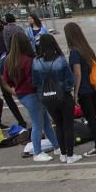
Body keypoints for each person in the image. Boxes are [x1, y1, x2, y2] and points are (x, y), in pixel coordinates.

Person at [3, 34, 58, 162]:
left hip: (22, 94)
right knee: (38, 124)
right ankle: (37, 152)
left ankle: (56, 146)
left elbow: (6, 79)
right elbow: (34, 81)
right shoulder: (28, 60)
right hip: (33, 94)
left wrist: (15, 89)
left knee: (44, 122)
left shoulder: (9, 59)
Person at [65, 22, 96, 157]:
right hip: (94, 86)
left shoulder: (74, 51)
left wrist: (75, 93)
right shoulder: (87, 48)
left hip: (84, 89)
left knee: (91, 117)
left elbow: (77, 74)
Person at [33, 35, 79, 164]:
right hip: (63, 95)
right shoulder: (60, 60)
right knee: (68, 125)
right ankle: (70, 155)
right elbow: (71, 79)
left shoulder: (36, 62)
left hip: (47, 97)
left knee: (58, 125)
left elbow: (35, 82)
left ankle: (63, 153)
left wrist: (43, 91)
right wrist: (66, 88)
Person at [0, 17, 28, 128]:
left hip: (7, 75)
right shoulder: (26, 56)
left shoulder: (6, 57)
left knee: (9, 97)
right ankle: (22, 120)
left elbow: (2, 77)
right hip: (13, 76)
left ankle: (21, 120)